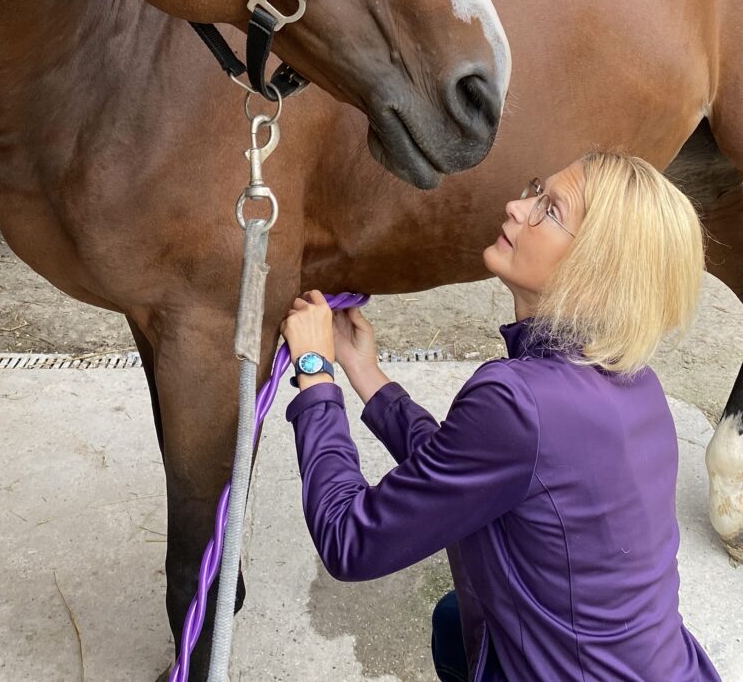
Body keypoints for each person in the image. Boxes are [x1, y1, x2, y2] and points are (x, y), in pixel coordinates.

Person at [281, 151, 721, 682]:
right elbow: (472, 470)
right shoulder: (636, 384)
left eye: (550, 210)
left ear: (594, 274)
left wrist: (314, 375)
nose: (516, 207)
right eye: (537, 190)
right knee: (453, 618)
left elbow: (349, 540)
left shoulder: (517, 399)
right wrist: (366, 374)